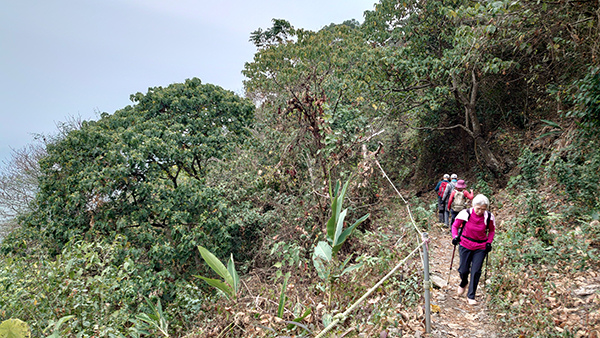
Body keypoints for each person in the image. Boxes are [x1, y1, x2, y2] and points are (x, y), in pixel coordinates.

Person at [451, 194, 495, 305]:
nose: (480, 211)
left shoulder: (489, 217)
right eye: (478, 208)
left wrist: (489, 242)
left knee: (476, 271)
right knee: (463, 269)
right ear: (473, 205)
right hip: (465, 243)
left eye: (483, 209)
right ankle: (464, 282)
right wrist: (455, 237)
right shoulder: (465, 213)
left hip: (480, 246)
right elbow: (455, 226)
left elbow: (491, 230)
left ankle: (471, 296)